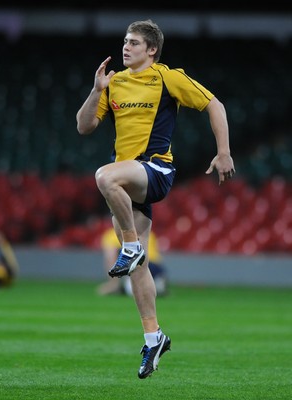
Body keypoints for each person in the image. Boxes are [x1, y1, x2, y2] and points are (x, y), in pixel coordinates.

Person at [76, 19, 235, 379]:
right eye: (124, 41)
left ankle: (130, 247)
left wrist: (223, 152)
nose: (125, 47)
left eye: (133, 42)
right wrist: (95, 90)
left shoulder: (167, 76)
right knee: (139, 269)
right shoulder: (113, 83)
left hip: (155, 171)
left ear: (151, 50)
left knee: (104, 176)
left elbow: (216, 105)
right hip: (128, 183)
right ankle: (154, 337)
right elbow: (84, 126)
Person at [98, 226, 168, 296]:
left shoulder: (111, 235)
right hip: (156, 268)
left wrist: (113, 283)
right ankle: (157, 284)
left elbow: (110, 257)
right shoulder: (146, 230)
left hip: (137, 266)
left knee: (121, 253)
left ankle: (117, 285)